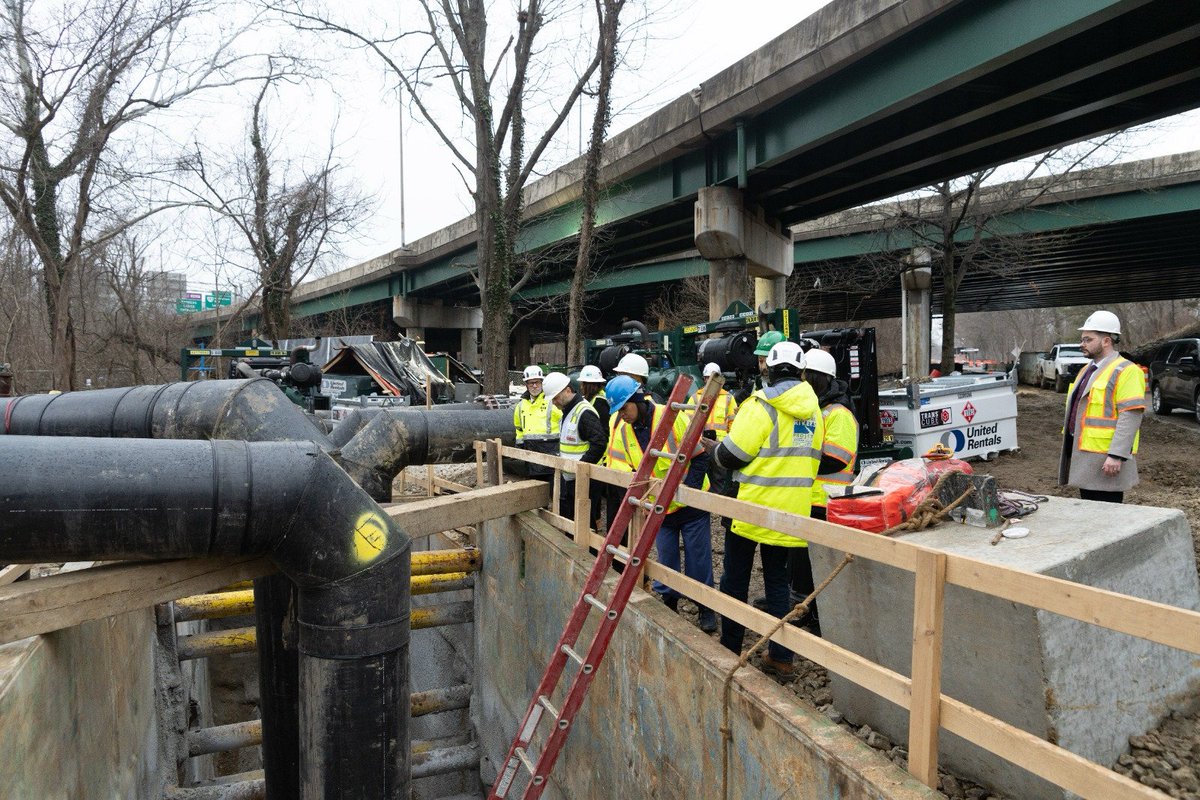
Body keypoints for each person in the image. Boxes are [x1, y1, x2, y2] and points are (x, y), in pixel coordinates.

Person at [704, 341, 824, 679]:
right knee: (777, 586)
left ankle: (730, 648)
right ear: (801, 371)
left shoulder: (761, 405)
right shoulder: (813, 410)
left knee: (736, 580)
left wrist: (713, 449)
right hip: (791, 514)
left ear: (767, 368)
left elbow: (732, 456)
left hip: (752, 511)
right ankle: (781, 659)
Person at [606, 375, 718, 633]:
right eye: (618, 411)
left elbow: (700, 457)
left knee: (698, 559)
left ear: (637, 400)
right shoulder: (623, 431)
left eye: (624, 408)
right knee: (666, 558)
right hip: (659, 509)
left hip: (690, 507)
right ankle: (669, 605)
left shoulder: (673, 418)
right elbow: (625, 468)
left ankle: (705, 609)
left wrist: (687, 490)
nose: (622, 415)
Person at [1058, 310, 1145, 503]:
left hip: (1105, 457)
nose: (1082, 344)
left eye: (1088, 339)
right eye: (1082, 339)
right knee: (1090, 511)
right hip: (1085, 454)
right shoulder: (1087, 369)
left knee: (1107, 515)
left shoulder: (1127, 371)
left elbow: (1130, 417)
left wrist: (1116, 455)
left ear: (1106, 341)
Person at [542, 372, 607, 522]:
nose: (555, 402)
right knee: (572, 519)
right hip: (572, 477)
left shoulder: (583, 412)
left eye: (556, 398)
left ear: (568, 390)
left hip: (586, 478)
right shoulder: (568, 411)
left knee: (584, 522)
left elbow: (599, 443)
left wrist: (580, 467)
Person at [513, 365, 562, 480]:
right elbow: (519, 429)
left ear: (542, 383)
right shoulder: (520, 406)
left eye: (537, 382)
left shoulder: (552, 402)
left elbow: (564, 423)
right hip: (531, 455)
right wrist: (519, 446)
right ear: (526, 385)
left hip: (552, 452)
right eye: (531, 383)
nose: (534, 386)